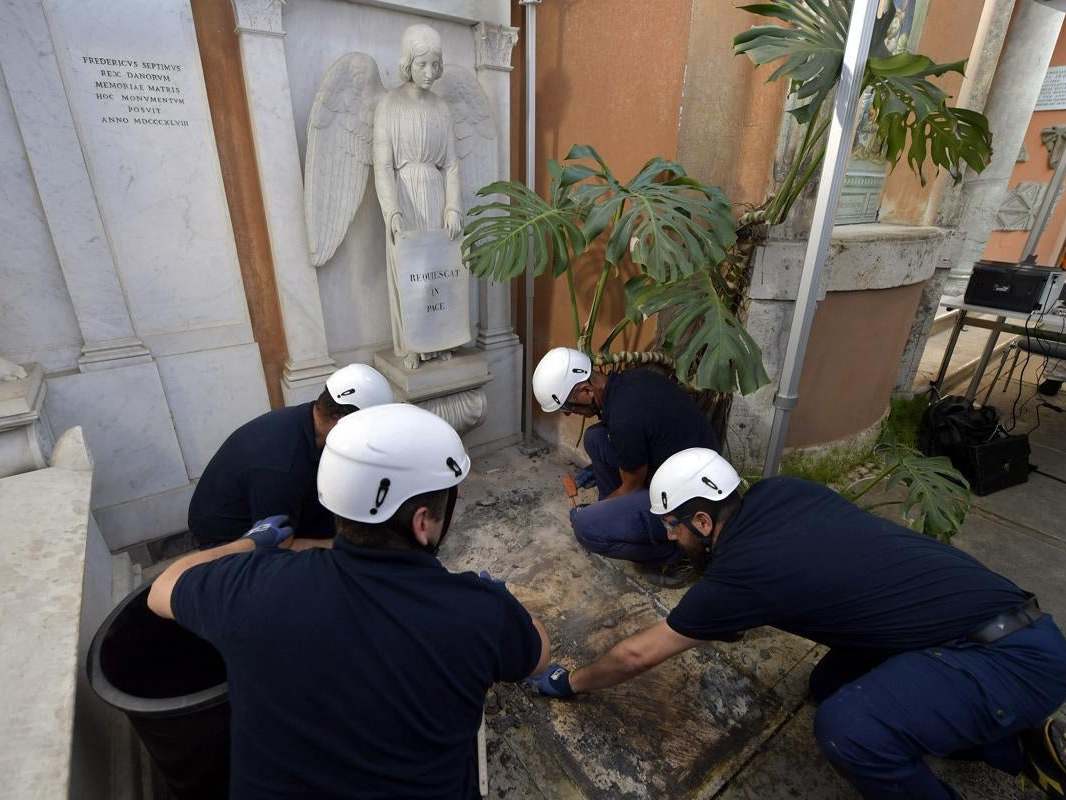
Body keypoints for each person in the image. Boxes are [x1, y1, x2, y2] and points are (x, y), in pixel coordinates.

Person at [529, 447, 1066, 800]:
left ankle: (1014, 741)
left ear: (701, 520)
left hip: (1003, 658)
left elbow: (635, 656)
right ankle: (1013, 743)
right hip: (1002, 617)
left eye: (673, 527)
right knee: (827, 684)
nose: (669, 538)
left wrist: (567, 681)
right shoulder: (783, 492)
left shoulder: (740, 576)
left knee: (849, 728)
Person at [149, 403, 551, 799]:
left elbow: (162, 589)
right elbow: (538, 657)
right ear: (422, 522)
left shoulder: (256, 586)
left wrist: (250, 543)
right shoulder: (475, 614)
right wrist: (499, 601)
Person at [531, 346, 720, 583]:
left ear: (585, 390)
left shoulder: (624, 418)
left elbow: (630, 484)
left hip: (690, 500)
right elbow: (641, 437)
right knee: (595, 438)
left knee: (586, 528)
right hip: (683, 468)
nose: (569, 414)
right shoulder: (632, 381)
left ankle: (676, 555)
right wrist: (598, 476)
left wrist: (589, 514)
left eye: (568, 407)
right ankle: (619, 517)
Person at [187, 363, 393, 549]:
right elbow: (280, 545)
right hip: (228, 540)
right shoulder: (283, 464)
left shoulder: (307, 420)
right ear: (339, 418)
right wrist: (352, 550)